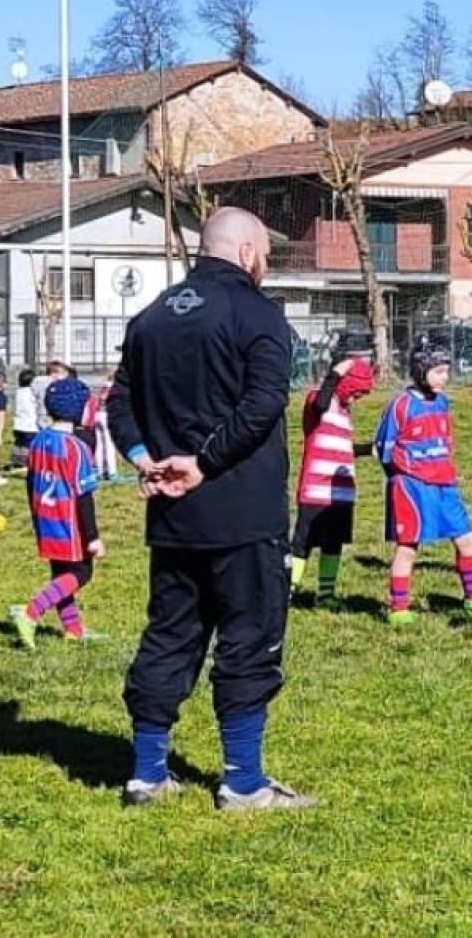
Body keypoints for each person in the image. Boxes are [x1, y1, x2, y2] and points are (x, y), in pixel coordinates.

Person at [109, 207, 312, 811]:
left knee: (170, 635)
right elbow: (263, 404)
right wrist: (204, 461)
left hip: (172, 515)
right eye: (266, 256)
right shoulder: (259, 314)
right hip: (242, 513)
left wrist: (146, 458)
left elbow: (118, 402)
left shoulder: (148, 319)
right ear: (248, 252)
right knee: (249, 638)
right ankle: (243, 781)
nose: (266, 265)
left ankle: (147, 774)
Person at [375, 339, 472, 627]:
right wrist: (401, 474)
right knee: (408, 547)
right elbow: (384, 446)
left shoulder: (442, 402)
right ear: (420, 371)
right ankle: (399, 606)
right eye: (439, 371)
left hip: (445, 484)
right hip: (412, 486)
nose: (445, 377)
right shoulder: (401, 405)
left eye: (446, 370)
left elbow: (447, 438)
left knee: (466, 538)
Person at [9, 376, 103, 647]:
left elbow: (31, 483)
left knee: (60, 575)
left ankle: (73, 630)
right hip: (69, 523)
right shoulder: (77, 448)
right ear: (79, 409)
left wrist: (35, 515)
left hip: (45, 518)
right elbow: (84, 497)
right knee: (81, 573)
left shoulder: (38, 441)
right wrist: (93, 538)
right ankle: (30, 611)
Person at [288, 355, 377, 608]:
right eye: (355, 393)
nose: (355, 400)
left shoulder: (344, 413)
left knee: (333, 542)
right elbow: (320, 405)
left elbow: (343, 448)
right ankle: (288, 590)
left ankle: (325, 594)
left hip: (341, 494)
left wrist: (367, 450)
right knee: (302, 543)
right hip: (316, 491)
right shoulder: (318, 400)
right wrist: (336, 373)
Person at [11, 367, 38, 469]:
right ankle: (28, 462)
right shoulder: (32, 392)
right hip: (31, 424)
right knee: (29, 445)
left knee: (19, 443)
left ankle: (17, 462)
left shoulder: (18, 392)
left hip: (18, 423)